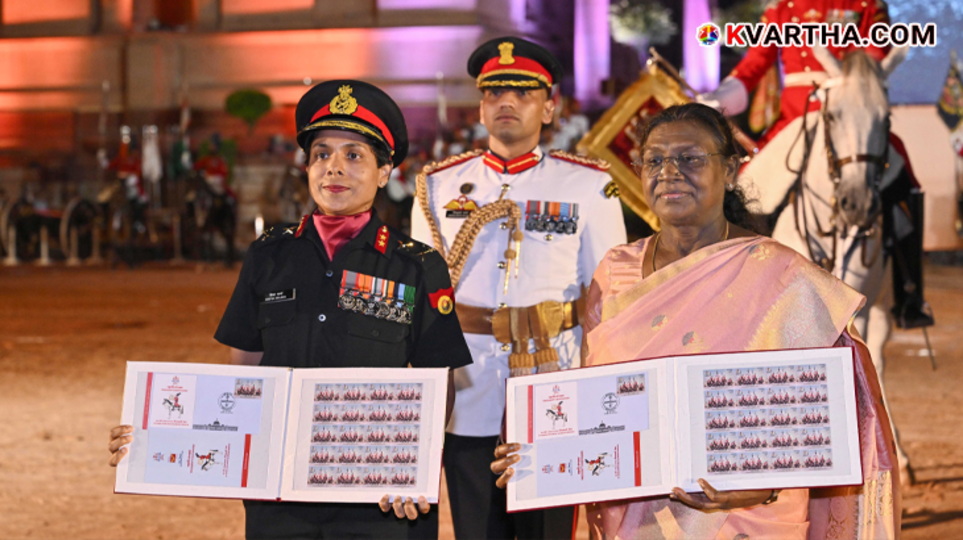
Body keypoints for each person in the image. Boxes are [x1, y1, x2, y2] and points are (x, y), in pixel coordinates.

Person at [491, 103, 900, 538]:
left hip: (747, 523)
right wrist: (537, 452)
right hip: (632, 519)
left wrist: (762, 486)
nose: (669, 171)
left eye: (690, 158)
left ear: (729, 171)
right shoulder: (615, 272)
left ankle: (909, 288)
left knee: (902, 195)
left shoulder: (785, 277)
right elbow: (599, 404)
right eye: (655, 159)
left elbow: (835, 420)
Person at [108, 80, 474, 540]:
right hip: (280, 502)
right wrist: (155, 435)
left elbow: (438, 380)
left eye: (354, 155)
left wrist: (414, 469)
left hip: (378, 504)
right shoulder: (269, 255)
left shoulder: (416, 265)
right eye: (321, 154)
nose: (333, 168)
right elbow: (244, 377)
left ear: (384, 172)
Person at [411, 36, 627, 540]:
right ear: (482, 106)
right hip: (468, 390)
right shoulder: (440, 185)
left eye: (524, 92)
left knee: (549, 532)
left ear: (550, 107)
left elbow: (608, 299)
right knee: (475, 530)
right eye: (494, 92)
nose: (506, 102)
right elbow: (426, 297)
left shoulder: (589, 186)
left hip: (555, 378)